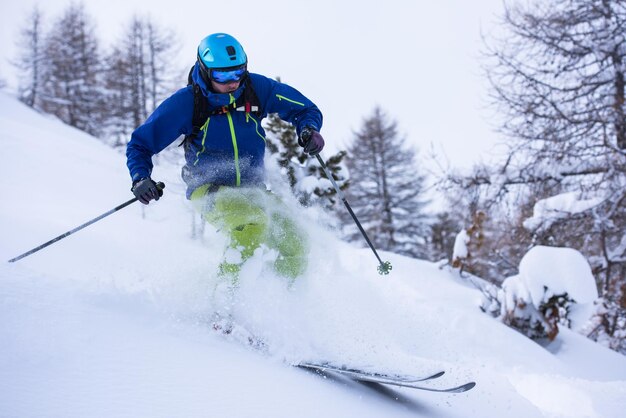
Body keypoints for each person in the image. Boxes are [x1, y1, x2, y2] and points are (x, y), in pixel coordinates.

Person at [126, 33, 325, 281]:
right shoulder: (187, 103)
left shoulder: (256, 89)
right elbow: (140, 144)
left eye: (238, 72)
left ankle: (277, 304)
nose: (232, 82)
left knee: (295, 242)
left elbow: (305, 109)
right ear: (206, 71)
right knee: (250, 226)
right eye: (222, 75)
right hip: (209, 189)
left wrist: (308, 129)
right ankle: (224, 310)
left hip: (253, 189)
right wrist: (140, 178)